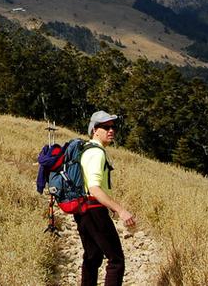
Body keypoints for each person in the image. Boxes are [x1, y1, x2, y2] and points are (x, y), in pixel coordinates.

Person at [75, 110, 137, 286]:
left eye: (113, 127)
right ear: (95, 130)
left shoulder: (86, 150)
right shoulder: (96, 153)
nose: (111, 131)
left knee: (92, 257)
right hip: (94, 209)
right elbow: (94, 188)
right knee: (116, 260)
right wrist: (121, 210)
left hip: (83, 211)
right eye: (106, 127)